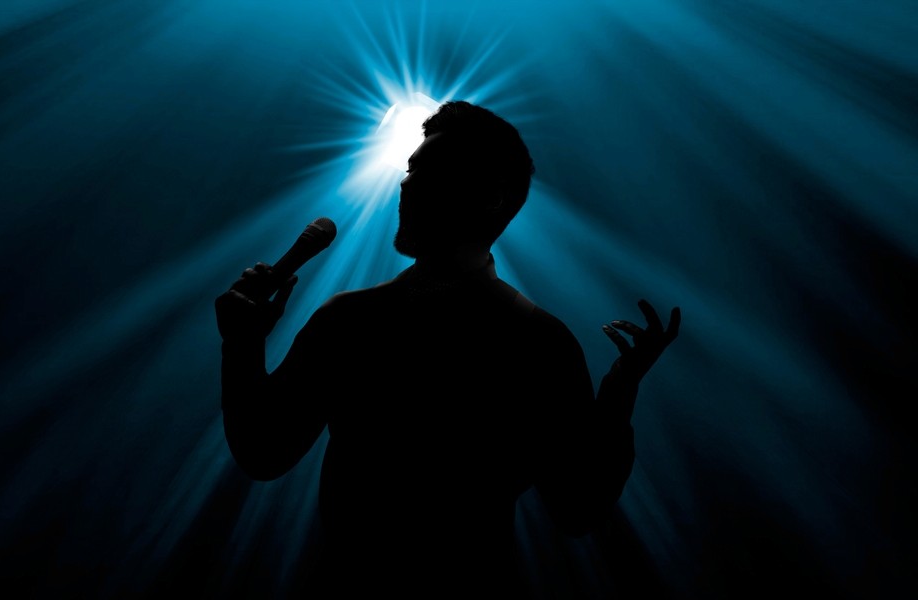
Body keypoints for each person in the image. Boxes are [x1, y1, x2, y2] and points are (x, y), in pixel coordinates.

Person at [214, 100, 681, 597]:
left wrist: (616, 398)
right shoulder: (537, 342)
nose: (406, 183)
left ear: (492, 198)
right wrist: (242, 345)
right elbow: (264, 453)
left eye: (430, 171)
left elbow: (575, 510)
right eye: (411, 168)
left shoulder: (360, 321)